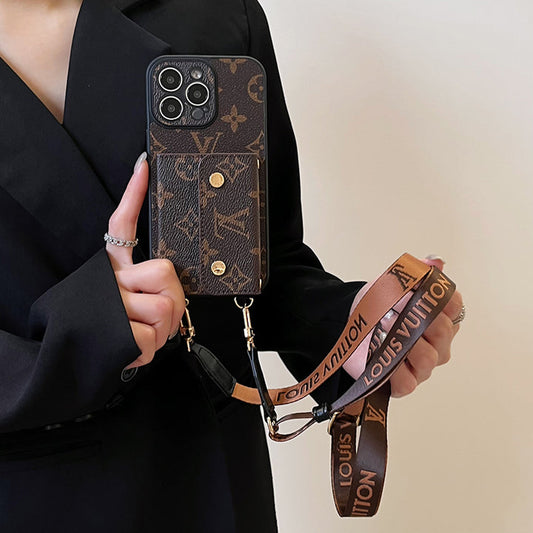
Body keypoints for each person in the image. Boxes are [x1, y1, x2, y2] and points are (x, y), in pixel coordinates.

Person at [0, 0, 464, 531]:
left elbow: (264, 265)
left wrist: (352, 325)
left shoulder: (212, 14)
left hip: (207, 481)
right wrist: (89, 329)